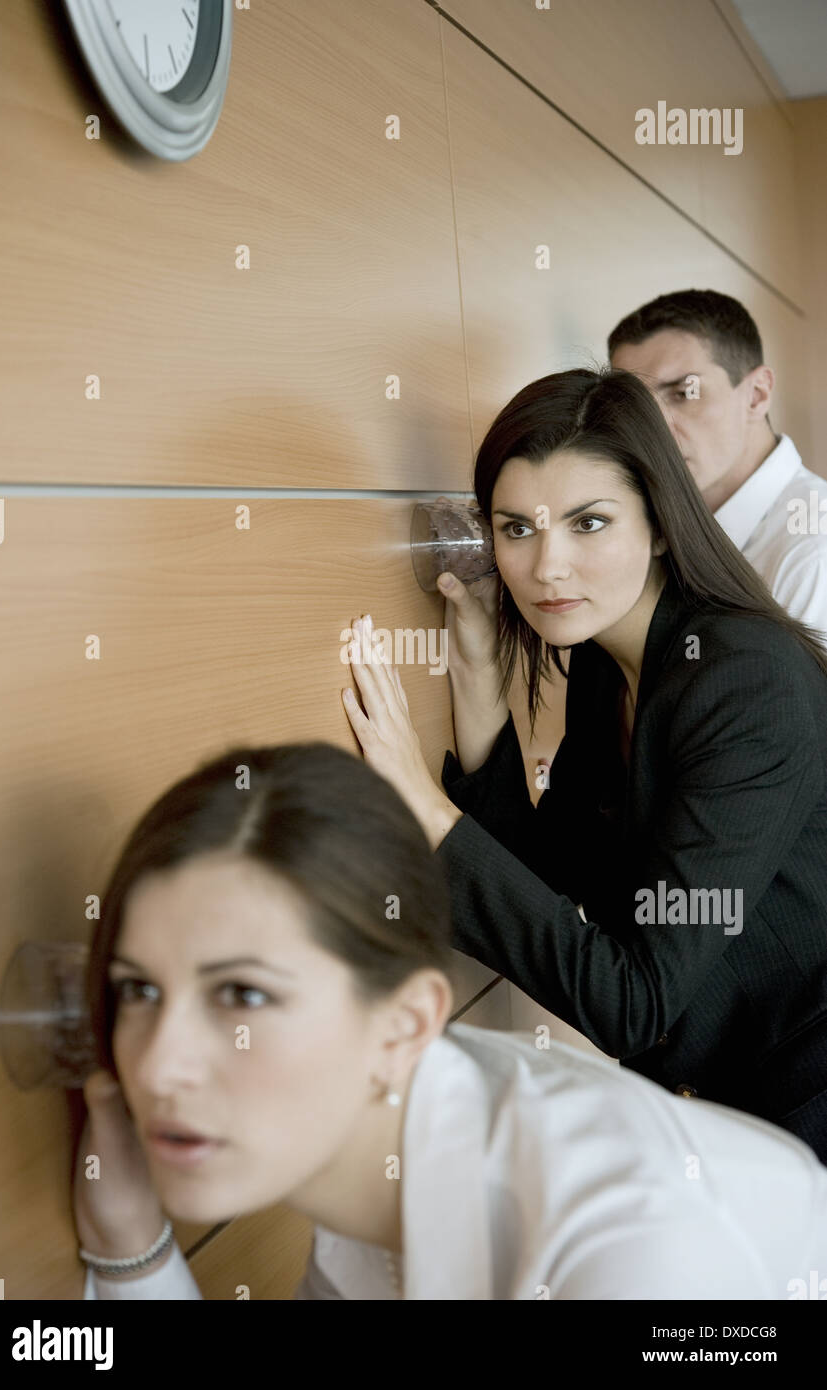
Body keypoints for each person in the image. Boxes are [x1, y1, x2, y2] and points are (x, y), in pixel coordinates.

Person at [75, 733, 827, 1300]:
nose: (157, 1065)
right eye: (138, 991)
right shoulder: (370, 1162)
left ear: (404, 1025)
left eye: (242, 996)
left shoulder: (637, 1253)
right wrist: (128, 1242)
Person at [339, 367, 827, 1161]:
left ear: (661, 524)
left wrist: (418, 805)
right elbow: (551, 877)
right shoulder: (612, 664)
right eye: (516, 529)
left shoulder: (745, 680)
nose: (546, 567)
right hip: (733, 1119)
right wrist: (474, 675)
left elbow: (632, 1000)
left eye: (587, 524)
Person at [608, 288, 827, 637]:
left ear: (757, 395)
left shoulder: (814, 553)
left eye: (683, 394)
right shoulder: (647, 532)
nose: (655, 431)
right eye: (639, 407)